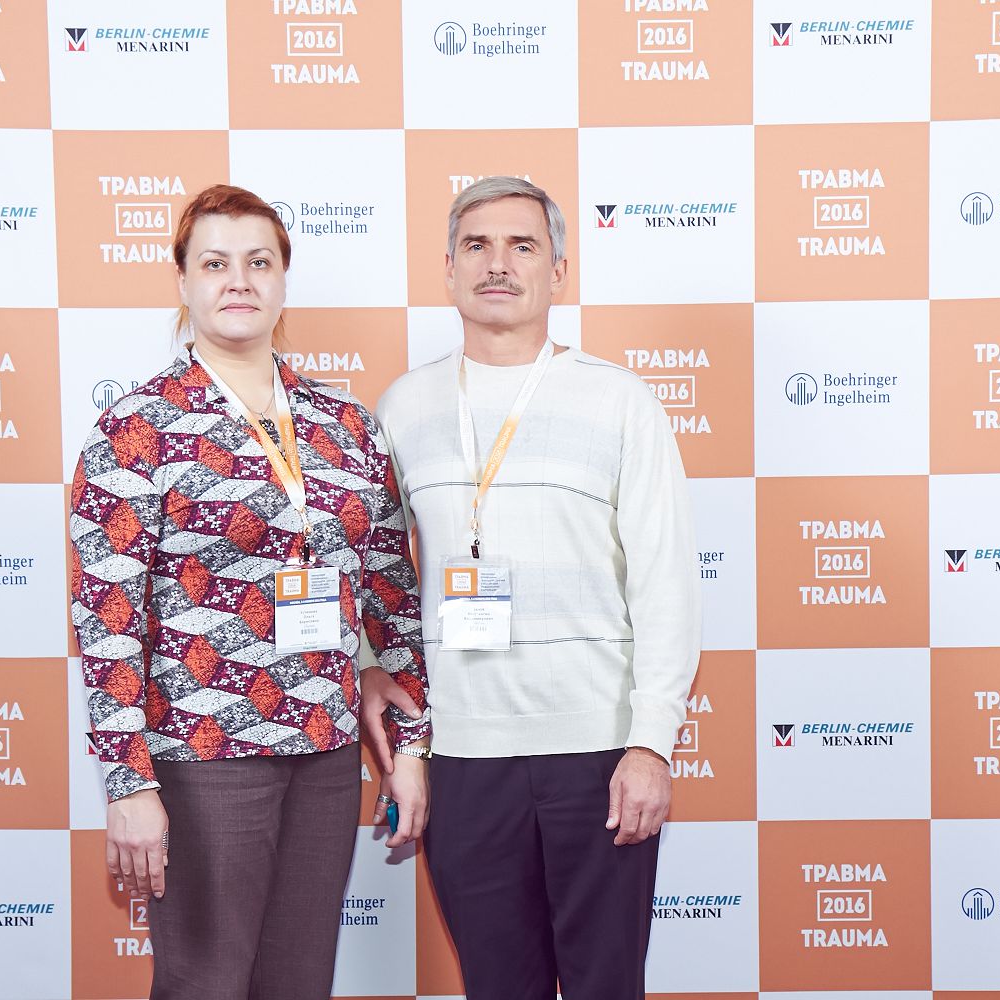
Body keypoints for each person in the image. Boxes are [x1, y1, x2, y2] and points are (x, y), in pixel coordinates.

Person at [69, 183, 431, 1000]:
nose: (239, 280)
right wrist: (129, 784)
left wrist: (412, 747)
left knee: (299, 982)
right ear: (183, 281)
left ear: (282, 280)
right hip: (202, 757)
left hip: (326, 751)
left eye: (259, 261)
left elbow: (392, 597)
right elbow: (108, 622)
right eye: (215, 263)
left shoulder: (343, 423)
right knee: (204, 983)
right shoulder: (137, 428)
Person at [361, 175, 699, 999]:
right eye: (476, 245)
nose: (498, 264)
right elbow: (373, 575)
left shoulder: (619, 401)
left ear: (559, 271)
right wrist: (389, 701)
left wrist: (651, 744)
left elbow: (666, 583)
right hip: (464, 758)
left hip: (600, 752)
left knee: (605, 987)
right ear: (449, 268)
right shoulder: (402, 407)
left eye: (523, 245)